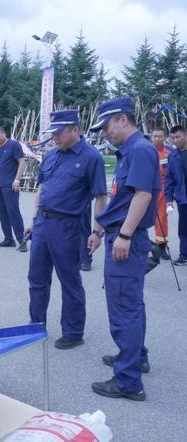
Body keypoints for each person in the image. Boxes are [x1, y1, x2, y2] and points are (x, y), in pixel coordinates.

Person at [88, 96, 160, 401]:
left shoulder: (140, 150)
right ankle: (135, 356)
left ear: (122, 119)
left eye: (106, 126)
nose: (105, 133)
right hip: (121, 233)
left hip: (127, 239)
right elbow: (123, 199)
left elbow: (143, 196)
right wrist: (101, 229)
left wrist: (126, 235)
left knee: (123, 309)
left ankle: (128, 381)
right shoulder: (131, 150)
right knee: (132, 304)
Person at [25, 110, 107, 350]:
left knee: (69, 280)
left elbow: (101, 197)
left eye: (59, 133)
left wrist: (97, 231)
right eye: (53, 133)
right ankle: (35, 324)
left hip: (69, 226)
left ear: (75, 130)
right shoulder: (51, 156)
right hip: (43, 223)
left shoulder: (91, 157)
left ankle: (73, 331)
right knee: (37, 278)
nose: (55, 137)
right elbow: (42, 188)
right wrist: (32, 219)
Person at [0, 126, 27, 251]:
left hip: (9, 185)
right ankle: (8, 239)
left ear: (4, 133)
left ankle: (21, 240)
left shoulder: (13, 145)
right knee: (2, 214)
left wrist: (17, 180)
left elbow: (22, 161)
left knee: (13, 212)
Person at [164, 125, 187, 265]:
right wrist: (168, 200)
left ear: (185, 135)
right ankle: (184, 255)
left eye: (177, 137)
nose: (174, 140)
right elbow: (169, 179)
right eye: (172, 138)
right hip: (182, 198)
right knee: (183, 228)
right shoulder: (172, 156)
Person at [150, 128, 172, 260]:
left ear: (165, 137)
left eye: (159, 136)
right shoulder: (146, 151)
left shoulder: (169, 153)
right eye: (154, 136)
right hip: (146, 188)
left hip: (163, 190)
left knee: (162, 219)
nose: (157, 139)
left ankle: (161, 246)